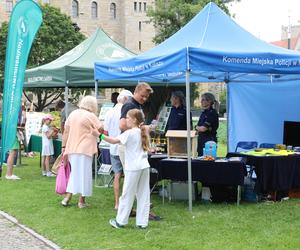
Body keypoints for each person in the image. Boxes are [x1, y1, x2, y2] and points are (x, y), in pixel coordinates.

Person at [102, 109, 151, 229]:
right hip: (144, 166)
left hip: (133, 167)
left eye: (127, 118)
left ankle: (121, 221)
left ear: (134, 120)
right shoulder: (141, 131)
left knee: (127, 194)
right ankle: (142, 223)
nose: (126, 120)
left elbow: (113, 141)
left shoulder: (130, 133)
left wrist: (99, 135)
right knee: (143, 194)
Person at [61, 96, 103, 208]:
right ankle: (81, 201)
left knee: (74, 173)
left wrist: (63, 147)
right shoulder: (91, 115)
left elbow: (66, 131)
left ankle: (67, 197)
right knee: (84, 174)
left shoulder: (73, 114)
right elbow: (101, 128)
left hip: (72, 148)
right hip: (85, 148)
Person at [103, 89, 133, 210]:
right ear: (126, 99)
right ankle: (126, 202)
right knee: (128, 174)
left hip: (113, 147)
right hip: (125, 146)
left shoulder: (109, 112)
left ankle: (117, 203)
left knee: (117, 174)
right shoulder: (128, 111)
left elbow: (105, 131)